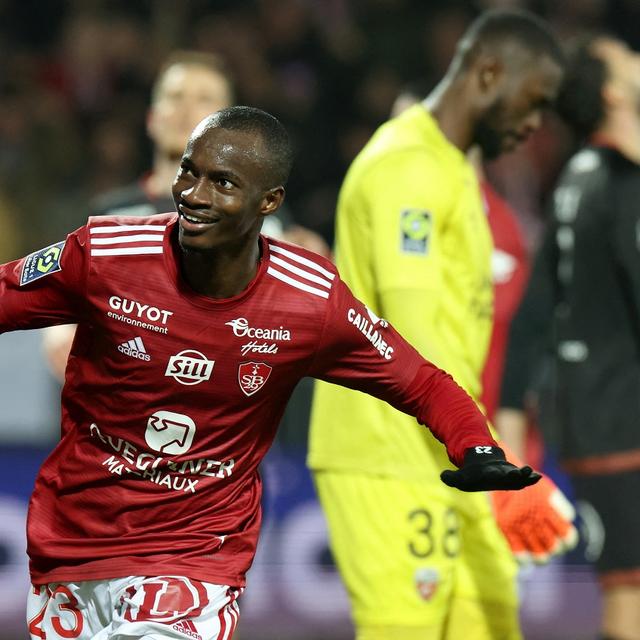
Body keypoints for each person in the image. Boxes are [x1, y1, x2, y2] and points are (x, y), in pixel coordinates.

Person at [0, 106, 538, 640]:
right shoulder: (104, 255)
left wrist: (477, 446)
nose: (194, 194)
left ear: (270, 201)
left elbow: (420, 381)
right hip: (72, 547)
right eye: (190, 171)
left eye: (223, 183)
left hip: (195, 558)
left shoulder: (309, 300)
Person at [308, 9, 575, 640]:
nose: (535, 125)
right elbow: (419, 337)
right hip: (388, 458)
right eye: (532, 103)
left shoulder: (452, 168)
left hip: (451, 452)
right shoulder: (406, 166)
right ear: (488, 74)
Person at [43, 50, 330, 380]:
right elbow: (61, 332)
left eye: (204, 99)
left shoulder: (265, 220)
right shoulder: (109, 215)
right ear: (152, 118)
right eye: (175, 96)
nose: (185, 110)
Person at [496, 35, 640, 640]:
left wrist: (507, 416)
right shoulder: (619, 183)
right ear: (612, 91)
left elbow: (532, 313)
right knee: (630, 599)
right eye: (629, 57)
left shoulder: (576, 180)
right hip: (621, 420)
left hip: (593, 417)